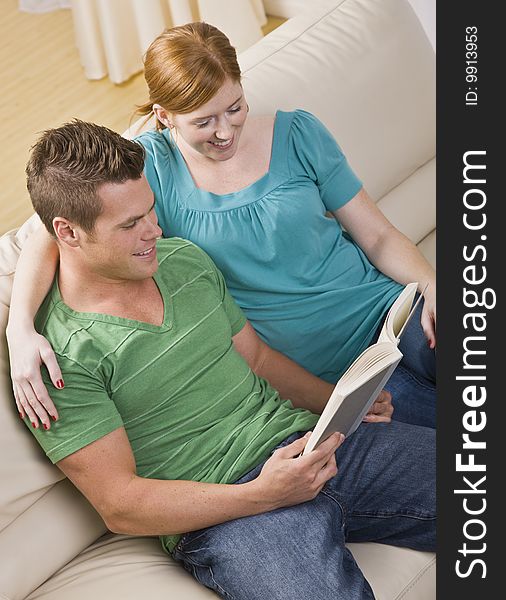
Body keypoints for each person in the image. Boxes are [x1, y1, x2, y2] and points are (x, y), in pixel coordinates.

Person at [20, 119, 434, 600]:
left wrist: (342, 404)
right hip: (224, 509)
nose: (153, 231)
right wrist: (263, 494)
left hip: (307, 445)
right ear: (66, 233)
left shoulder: (184, 262)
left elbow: (257, 359)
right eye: (130, 225)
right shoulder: (58, 360)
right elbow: (120, 505)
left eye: (151, 212)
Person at [7, 22, 436, 430]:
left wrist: (432, 285)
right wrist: (19, 327)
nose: (225, 132)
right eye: (203, 122)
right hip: (319, 378)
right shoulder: (148, 166)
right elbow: (53, 230)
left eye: (234, 108)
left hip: (389, 316)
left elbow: (377, 236)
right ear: (164, 115)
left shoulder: (298, 134)